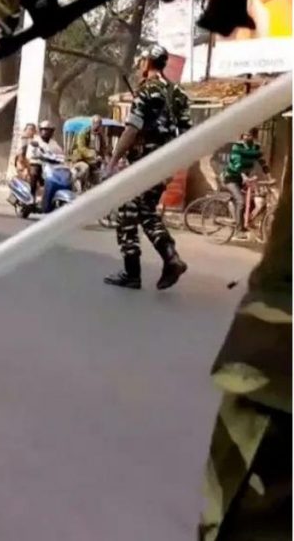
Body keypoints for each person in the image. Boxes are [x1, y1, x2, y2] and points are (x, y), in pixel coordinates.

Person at [198, 156, 290, 541]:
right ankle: (236, 220)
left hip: (279, 367)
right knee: (238, 197)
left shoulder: (251, 153)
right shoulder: (238, 156)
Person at [104, 43, 191, 290]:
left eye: (142, 61)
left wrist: (113, 161)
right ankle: (171, 258)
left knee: (127, 213)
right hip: (165, 163)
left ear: (147, 62)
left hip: (143, 163)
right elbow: (186, 134)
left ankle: (132, 273)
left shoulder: (146, 91)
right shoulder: (179, 94)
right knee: (147, 212)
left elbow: (132, 129)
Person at [223, 127, 269, 235]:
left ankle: (237, 219)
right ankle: (239, 230)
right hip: (231, 177)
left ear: (254, 136)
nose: (246, 137)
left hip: (243, 179)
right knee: (241, 201)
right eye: (245, 135)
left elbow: (262, 162)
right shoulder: (237, 146)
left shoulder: (256, 147)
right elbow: (237, 163)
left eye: (249, 135)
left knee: (249, 200)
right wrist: (244, 176)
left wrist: (269, 176)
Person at [26, 120, 63, 197]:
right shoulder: (35, 141)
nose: (46, 132)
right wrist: (38, 155)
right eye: (44, 130)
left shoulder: (53, 143)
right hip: (37, 163)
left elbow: (60, 152)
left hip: (50, 164)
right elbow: (30, 155)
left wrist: (63, 157)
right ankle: (32, 195)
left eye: (49, 130)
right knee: (34, 172)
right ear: (40, 131)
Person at [70, 114, 108, 189]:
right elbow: (81, 148)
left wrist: (105, 158)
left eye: (99, 125)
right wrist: (94, 154)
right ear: (92, 124)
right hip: (81, 159)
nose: (98, 127)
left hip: (94, 161)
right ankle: (76, 182)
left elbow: (104, 148)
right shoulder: (83, 133)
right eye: (96, 124)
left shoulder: (101, 136)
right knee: (85, 168)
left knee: (104, 172)